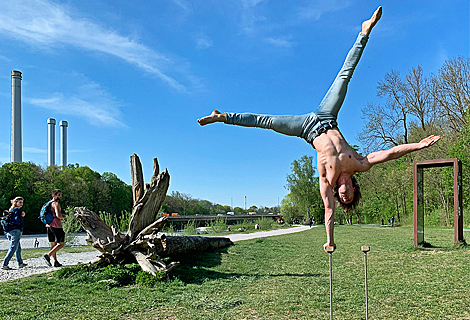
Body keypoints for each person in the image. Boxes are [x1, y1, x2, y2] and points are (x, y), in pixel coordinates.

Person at [197, 7, 441, 252]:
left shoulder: (327, 179)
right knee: (344, 76)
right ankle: (364, 32)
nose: (343, 197)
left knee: (268, 122)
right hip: (327, 117)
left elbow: (328, 210)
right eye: (349, 196)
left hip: (306, 129)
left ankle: (223, 117)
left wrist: (330, 240)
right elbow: (390, 153)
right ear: (355, 188)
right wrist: (418, 145)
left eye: (343, 198)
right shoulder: (358, 163)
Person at [2, 196, 27, 270]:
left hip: (8, 231)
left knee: (17, 247)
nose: (21, 204)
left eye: (22, 202)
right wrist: (21, 215)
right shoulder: (16, 211)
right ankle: (5, 264)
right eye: (20, 202)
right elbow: (16, 221)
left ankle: (20, 262)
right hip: (15, 231)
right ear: (15, 202)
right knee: (13, 247)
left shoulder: (11, 210)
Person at [43, 189, 66, 267]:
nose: (60, 196)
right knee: (61, 244)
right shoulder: (56, 204)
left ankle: (55, 261)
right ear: (54, 195)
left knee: (53, 245)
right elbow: (58, 215)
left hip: (49, 225)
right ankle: (48, 255)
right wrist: (63, 217)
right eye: (59, 195)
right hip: (56, 226)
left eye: (60, 195)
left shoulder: (48, 203)